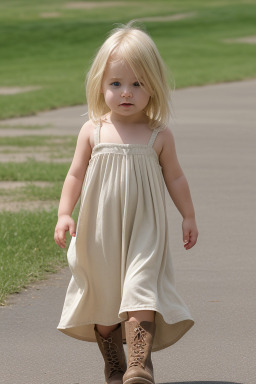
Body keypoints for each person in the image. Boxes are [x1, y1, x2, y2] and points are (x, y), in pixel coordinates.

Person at [54, 22, 198, 384]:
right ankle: (114, 362)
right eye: (116, 84)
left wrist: (188, 215)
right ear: (100, 85)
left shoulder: (158, 134)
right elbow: (75, 175)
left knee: (141, 287)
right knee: (105, 299)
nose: (126, 93)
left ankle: (139, 362)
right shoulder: (93, 130)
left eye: (137, 83)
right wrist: (63, 213)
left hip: (145, 227)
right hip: (100, 231)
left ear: (153, 85)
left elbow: (175, 177)